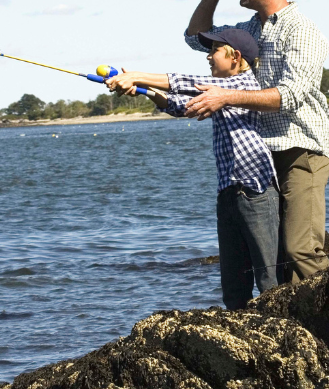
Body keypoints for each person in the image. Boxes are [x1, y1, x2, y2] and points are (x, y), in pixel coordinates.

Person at [182, 0, 329, 284]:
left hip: (301, 150)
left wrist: (226, 97)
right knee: (277, 256)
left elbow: (290, 96)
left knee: (301, 250)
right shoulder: (249, 29)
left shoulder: (302, 30)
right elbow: (194, 38)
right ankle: (296, 324)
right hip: (262, 154)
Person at [106, 29, 278, 310]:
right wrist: (146, 91)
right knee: (234, 288)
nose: (208, 56)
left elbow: (185, 82)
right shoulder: (216, 93)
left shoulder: (245, 86)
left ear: (235, 57)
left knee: (269, 279)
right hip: (228, 195)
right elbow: (179, 105)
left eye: (215, 50)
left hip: (256, 192)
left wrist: (136, 75)